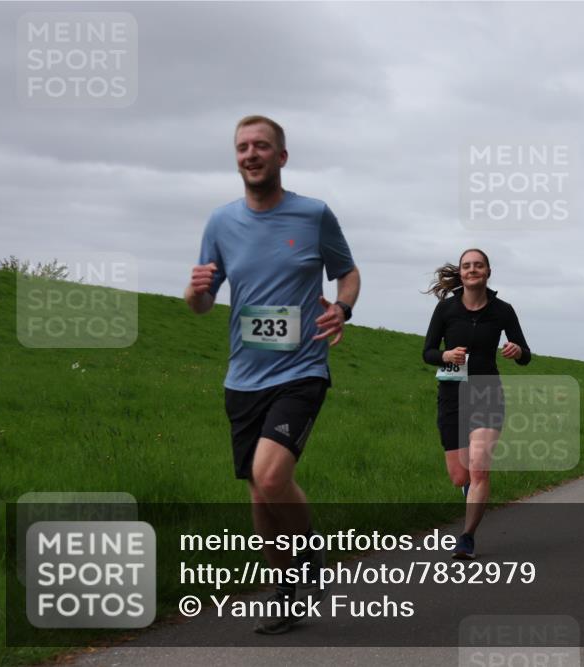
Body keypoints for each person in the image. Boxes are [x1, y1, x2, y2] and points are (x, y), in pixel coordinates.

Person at [185, 115, 360, 634]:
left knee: (270, 474)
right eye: (242, 147)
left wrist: (343, 309)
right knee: (260, 495)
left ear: (281, 157)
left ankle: (310, 560)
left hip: (302, 368)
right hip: (243, 377)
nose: (251, 153)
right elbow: (200, 304)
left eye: (262, 145)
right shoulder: (220, 223)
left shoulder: (313, 215)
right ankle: (286, 595)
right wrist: (195, 292)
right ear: (236, 157)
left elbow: (346, 272)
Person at [423, 249, 531, 559]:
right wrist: (444, 355)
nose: (473, 270)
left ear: (488, 271)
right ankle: (470, 493)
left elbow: (525, 353)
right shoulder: (446, 309)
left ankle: (467, 537)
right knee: (461, 476)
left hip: (487, 392)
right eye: (467, 266)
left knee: (480, 467)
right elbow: (427, 352)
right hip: (452, 394)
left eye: (478, 265)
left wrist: (517, 351)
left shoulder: (502, 310)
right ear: (460, 273)